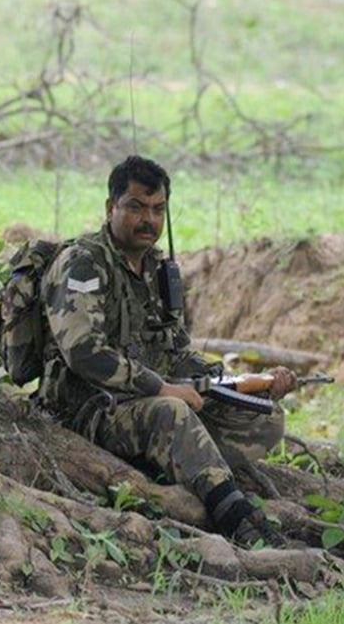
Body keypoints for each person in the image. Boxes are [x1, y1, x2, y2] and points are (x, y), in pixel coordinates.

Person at [38, 155, 295, 548]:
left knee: (266, 418)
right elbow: (84, 352)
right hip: (90, 411)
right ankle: (238, 520)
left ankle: (184, 463)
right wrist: (161, 388)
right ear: (111, 208)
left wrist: (241, 383)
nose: (149, 221)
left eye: (158, 210)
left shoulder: (157, 270)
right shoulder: (84, 263)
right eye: (136, 207)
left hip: (150, 405)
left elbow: (177, 351)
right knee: (172, 413)